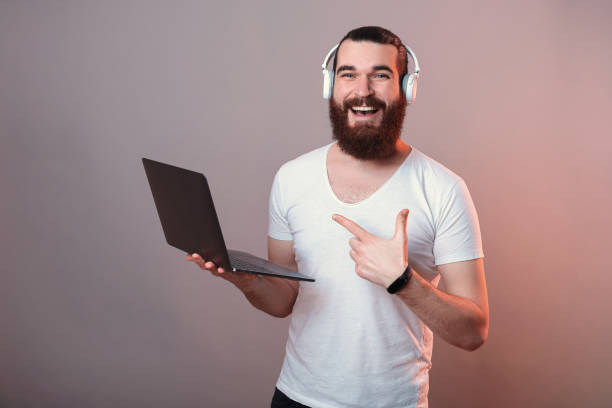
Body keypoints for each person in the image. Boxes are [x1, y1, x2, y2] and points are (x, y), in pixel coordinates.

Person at [187, 26, 489, 408]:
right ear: (331, 84)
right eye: (348, 74)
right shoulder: (291, 178)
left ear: (406, 89)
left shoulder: (443, 189)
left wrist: (403, 282)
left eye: (380, 75)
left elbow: (473, 331)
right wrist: (245, 280)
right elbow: (283, 300)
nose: (362, 91)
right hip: (296, 397)